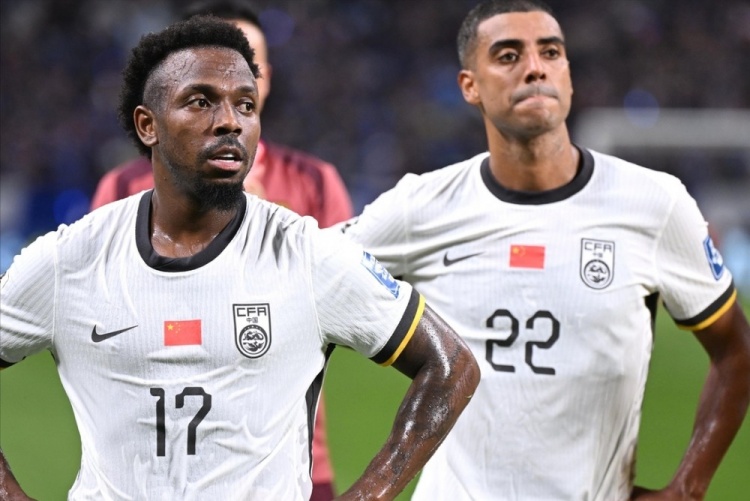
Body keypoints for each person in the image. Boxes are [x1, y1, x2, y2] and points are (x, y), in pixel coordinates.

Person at [0, 16, 480, 500]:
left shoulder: (305, 253)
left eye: (245, 104)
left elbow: (453, 366)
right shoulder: (70, 259)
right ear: (148, 125)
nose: (230, 121)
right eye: (201, 101)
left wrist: (367, 494)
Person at [333, 1, 750, 499]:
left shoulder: (654, 205)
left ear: (568, 74)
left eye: (550, 52)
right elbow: (306, 274)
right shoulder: (420, 206)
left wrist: (688, 487)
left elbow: (736, 351)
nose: (535, 68)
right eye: (508, 56)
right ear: (469, 85)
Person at [89, 2, 352, 498]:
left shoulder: (315, 182)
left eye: (245, 64)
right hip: (146, 463)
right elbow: (100, 314)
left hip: (289, 461)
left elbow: (351, 310)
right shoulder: (121, 188)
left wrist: (260, 240)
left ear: (263, 77)